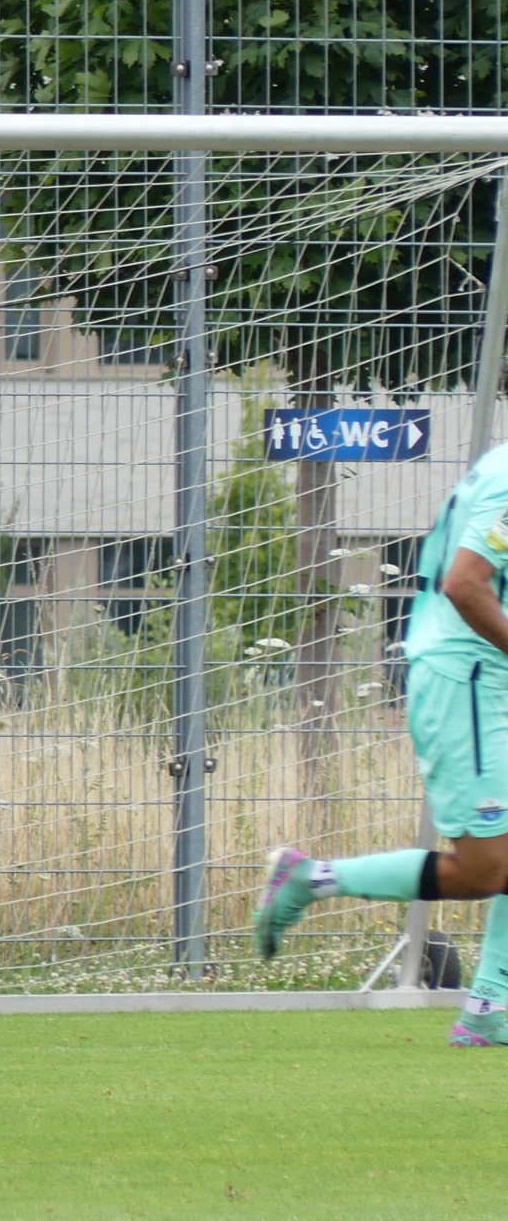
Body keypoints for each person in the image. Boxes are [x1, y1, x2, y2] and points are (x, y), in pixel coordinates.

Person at [256, 443, 508, 1044]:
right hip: (470, 679)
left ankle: (488, 1005)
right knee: (485, 870)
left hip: (484, 674)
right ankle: (311, 878)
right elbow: (465, 584)